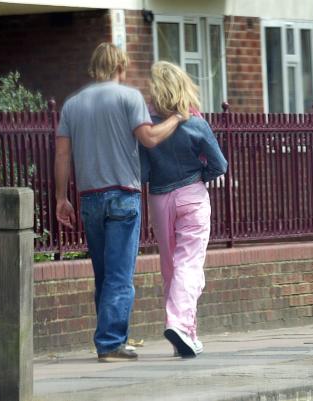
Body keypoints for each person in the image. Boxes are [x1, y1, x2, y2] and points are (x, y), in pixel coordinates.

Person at [54, 43, 185, 363]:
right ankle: (111, 342)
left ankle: (106, 339)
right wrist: (177, 119)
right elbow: (150, 138)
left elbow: (61, 154)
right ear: (120, 67)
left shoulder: (72, 104)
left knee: (103, 272)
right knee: (120, 274)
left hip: (89, 198)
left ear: (94, 67)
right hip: (123, 196)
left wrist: (61, 197)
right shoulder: (129, 98)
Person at [141, 61, 228, 358]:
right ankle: (179, 325)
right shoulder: (196, 123)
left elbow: (141, 170)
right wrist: (200, 176)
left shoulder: (148, 128)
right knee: (189, 265)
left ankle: (187, 334)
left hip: (159, 197)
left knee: (171, 268)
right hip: (192, 195)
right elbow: (220, 165)